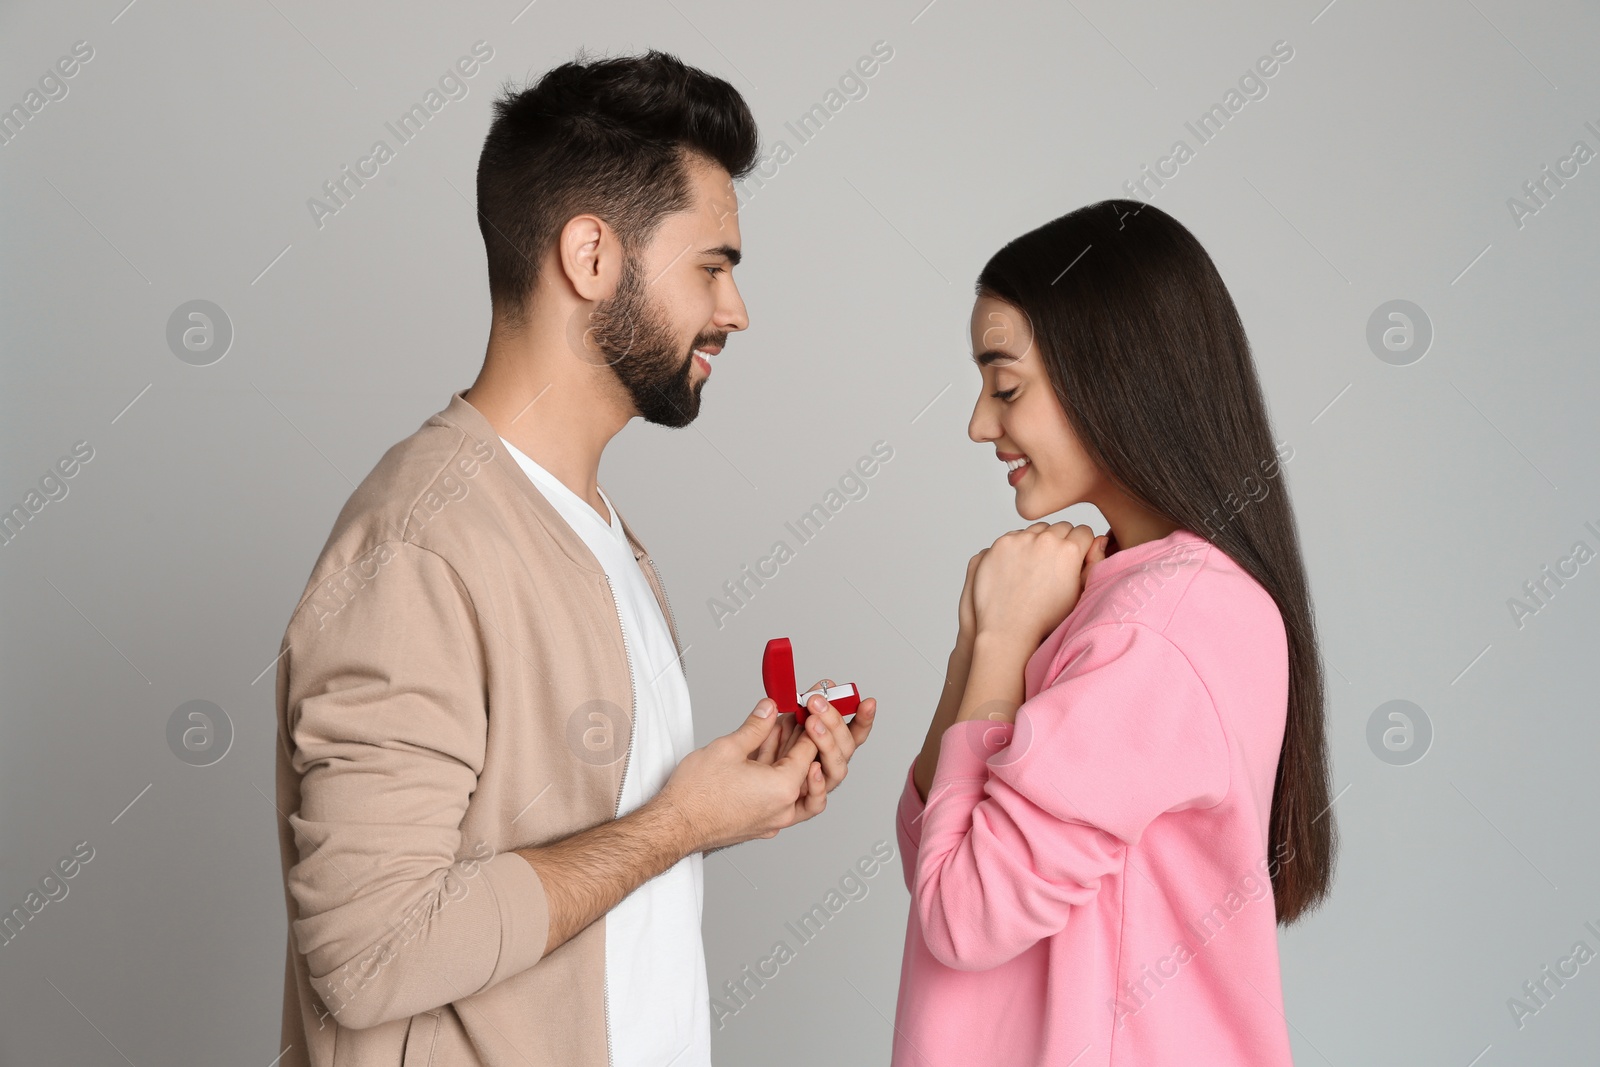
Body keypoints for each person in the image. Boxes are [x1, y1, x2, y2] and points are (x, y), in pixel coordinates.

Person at [272, 50, 874, 1067]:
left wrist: (724, 800)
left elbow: (587, 850)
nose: (734, 312)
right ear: (591, 257)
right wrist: (673, 824)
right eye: (712, 266)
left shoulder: (598, 532)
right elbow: (369, 952)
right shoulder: (422, 544)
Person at [892, 199, 1335, 1066]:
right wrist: (981, 637)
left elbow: (960, 912)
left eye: (1005, 385)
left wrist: (1000, 647)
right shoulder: (1124, 595)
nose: (981, 423)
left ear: (1114, 374)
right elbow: (931, 855)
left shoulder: (1159, 630)